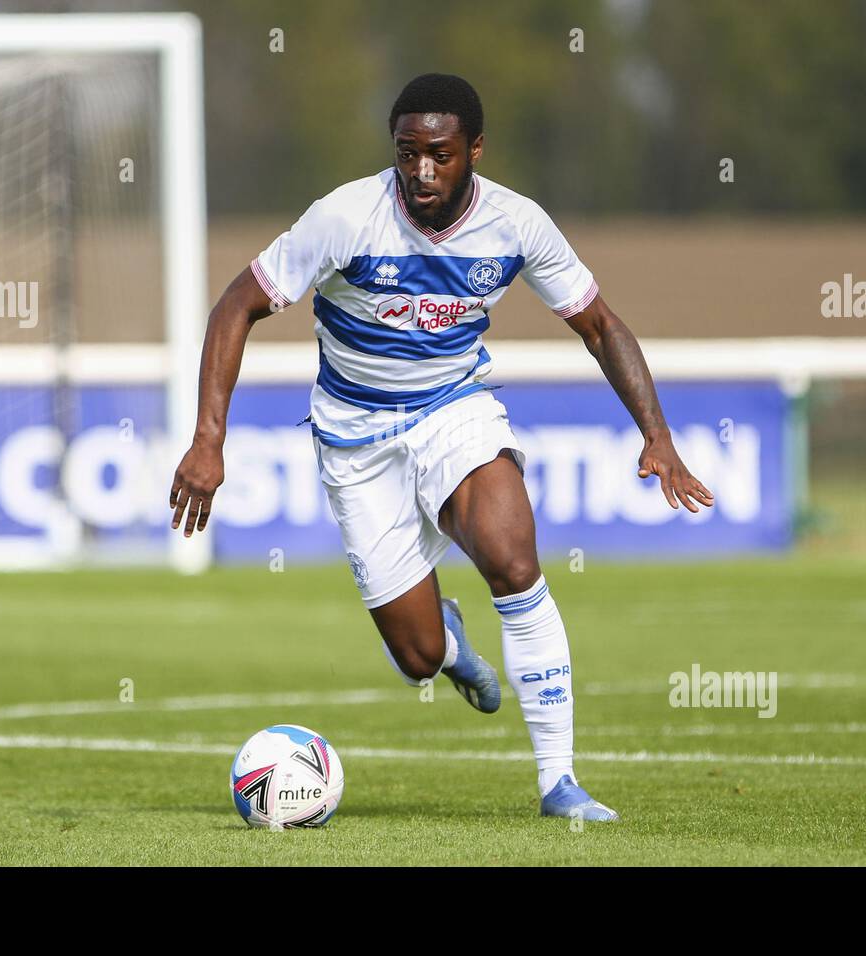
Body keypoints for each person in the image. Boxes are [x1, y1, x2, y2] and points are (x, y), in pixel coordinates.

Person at [170, 73, 713, 821]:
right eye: (408, 153)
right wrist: (208, 441)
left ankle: (560, 781)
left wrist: (658, 436)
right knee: (418, 657)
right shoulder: (344, 217)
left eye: (441, 154)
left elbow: (599, 325)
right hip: (354, 440)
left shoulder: (518, 225)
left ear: (474, 152)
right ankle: (450, 644)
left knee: (513, 559)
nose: (422, 171)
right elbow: (238, 304)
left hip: (453, 412)